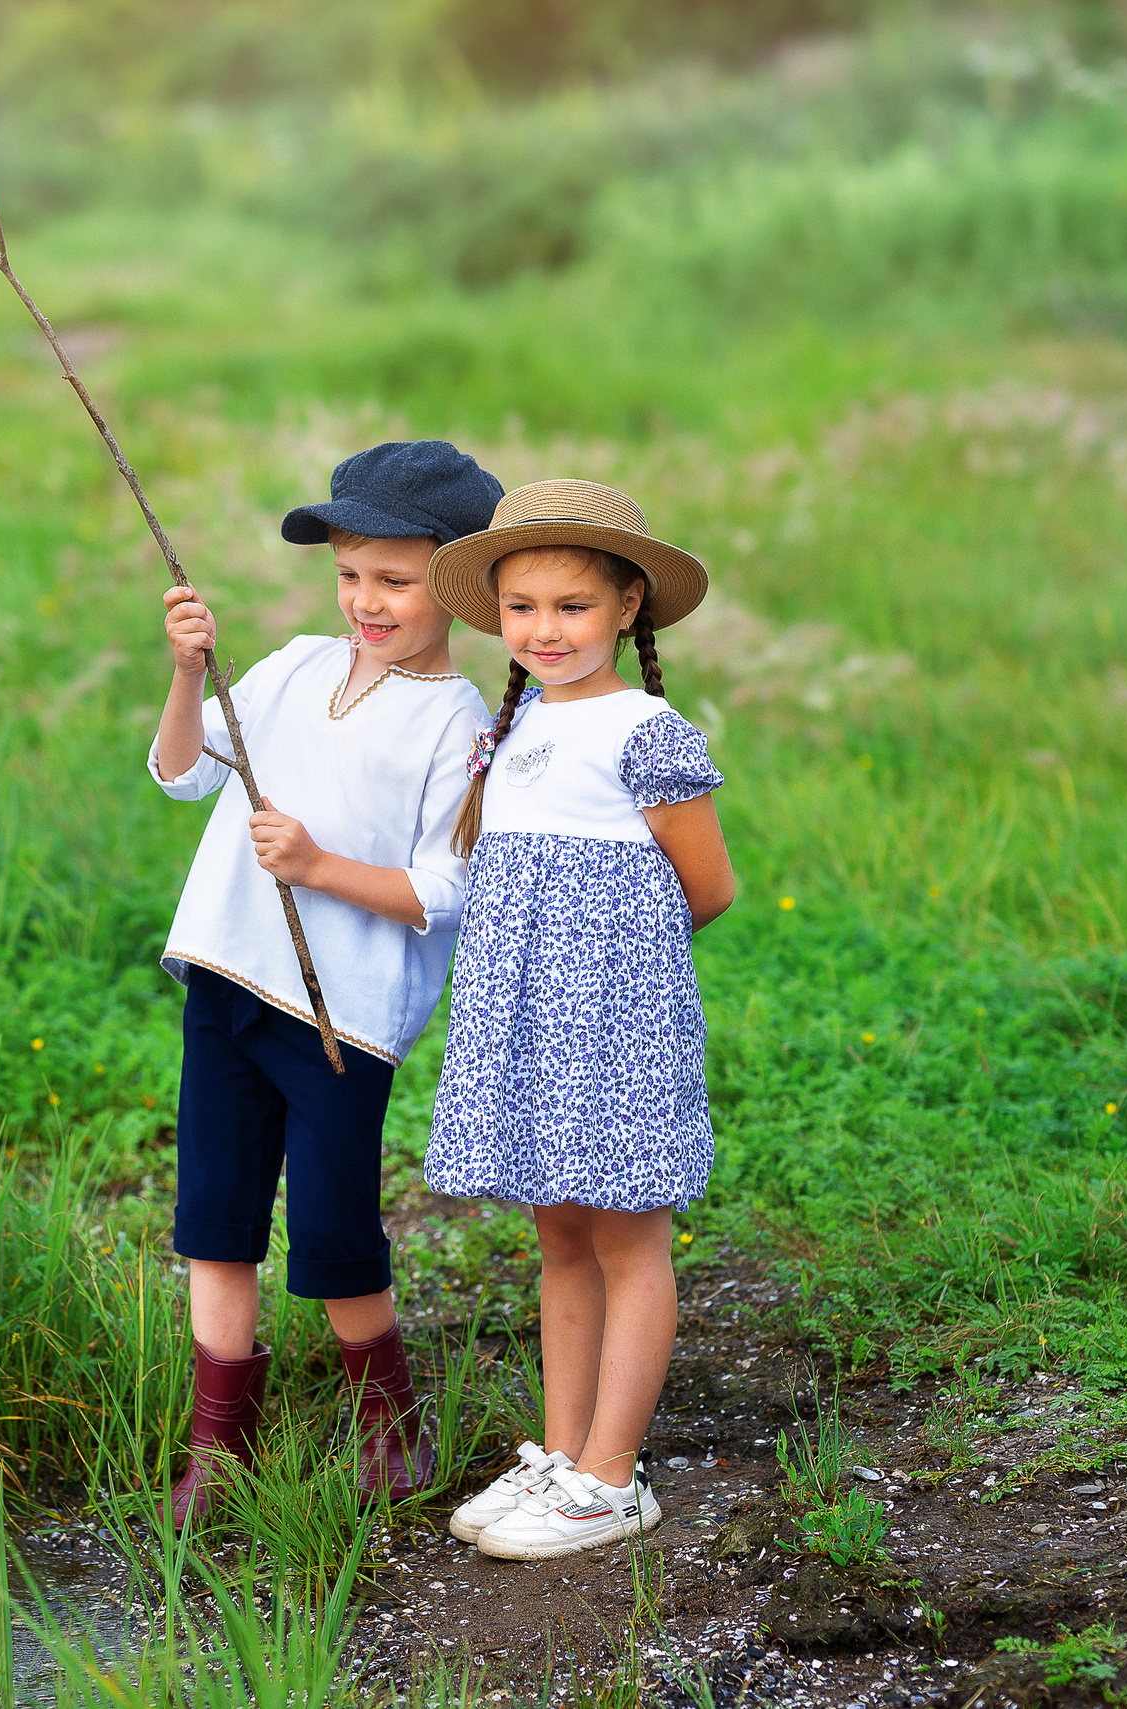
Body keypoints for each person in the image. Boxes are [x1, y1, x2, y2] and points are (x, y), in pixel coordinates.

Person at [150, 440, 502, 1521]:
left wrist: (316, 867)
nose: (366, 600)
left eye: (393, 579)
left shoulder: (458, 722)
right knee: (215, 1210)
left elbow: (445, 887)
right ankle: (221, 1447)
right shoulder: (296, 663)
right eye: (351, 575)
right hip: (225, 977)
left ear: (454, 582)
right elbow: (181, 770)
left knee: (338, 1223)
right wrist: (184, 673)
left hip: (339, 1014)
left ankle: (388, 1429)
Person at [421, 479, 736, 1561]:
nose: (543, 629)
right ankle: (562, 1455)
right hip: (525, 1023)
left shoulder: (645, 727)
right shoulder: (512, 726)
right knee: (559, 1233)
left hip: (614, 1019)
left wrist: (614, 966)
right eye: (521, 607)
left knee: (626, 1233)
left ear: (627, 607)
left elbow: (707, 886)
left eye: (570, 605)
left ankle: (611, 1474)